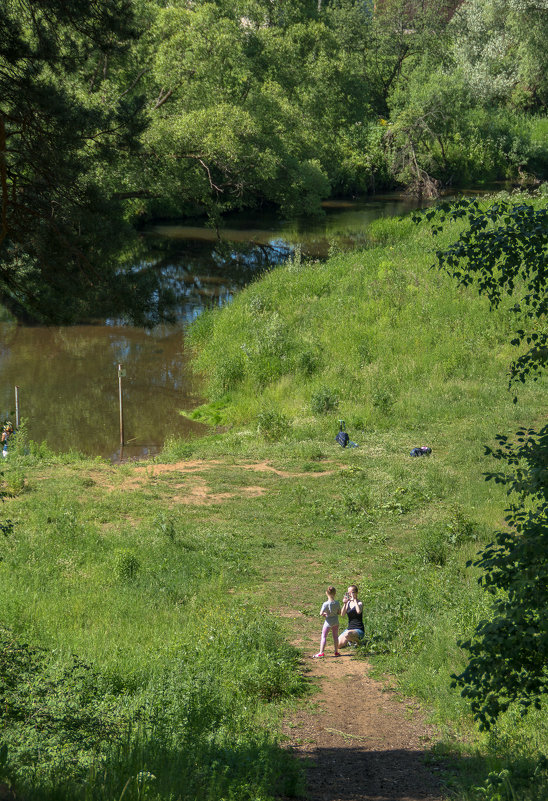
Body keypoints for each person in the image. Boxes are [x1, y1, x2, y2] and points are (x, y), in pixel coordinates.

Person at [313, 585, 341, 658]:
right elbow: (339, 612)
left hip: (328, 622)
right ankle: (336, 651)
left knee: (324, 636)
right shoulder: (337, 603)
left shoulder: (325, 604)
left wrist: (325, 614)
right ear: (335, 593)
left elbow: (321, 613)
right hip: (336, 621)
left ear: (326, 593)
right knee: (335, 636)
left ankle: (321, 652)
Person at [338, 584, 364, 649]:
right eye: (348, 593)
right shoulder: (348, 603)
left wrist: (354, 600)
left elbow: (358, 611)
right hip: (349, 629)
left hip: (358, 629)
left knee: (347, 634)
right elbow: (342, 614)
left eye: (352, 592)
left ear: (356, 593)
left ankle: (359, 642)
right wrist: (345, 603)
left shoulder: (359, 603)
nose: (350, 595)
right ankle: (350, 641)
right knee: (338, 645)